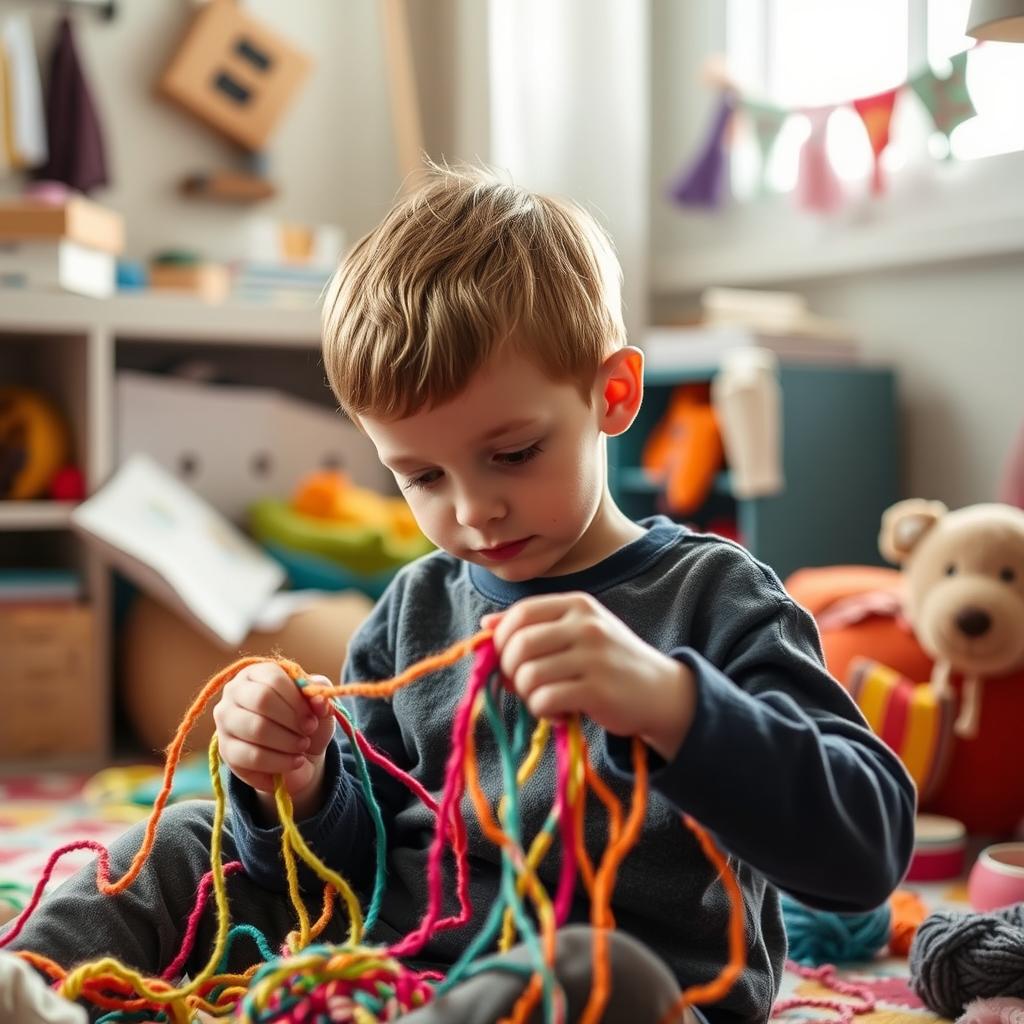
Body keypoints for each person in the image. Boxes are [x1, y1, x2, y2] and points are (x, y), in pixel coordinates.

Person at [3, 166, 915, 1024]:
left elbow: (865, 852)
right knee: (180, 841)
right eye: (421, 475)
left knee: (594, 972)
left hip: (623, 987)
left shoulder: (715, 596)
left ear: (614, 393)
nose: (474, 509)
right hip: (397, 965)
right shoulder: (414, 608)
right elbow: (347, 872)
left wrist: (674, 704)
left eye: (513, 453)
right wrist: (302, 780)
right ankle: (31, 992)